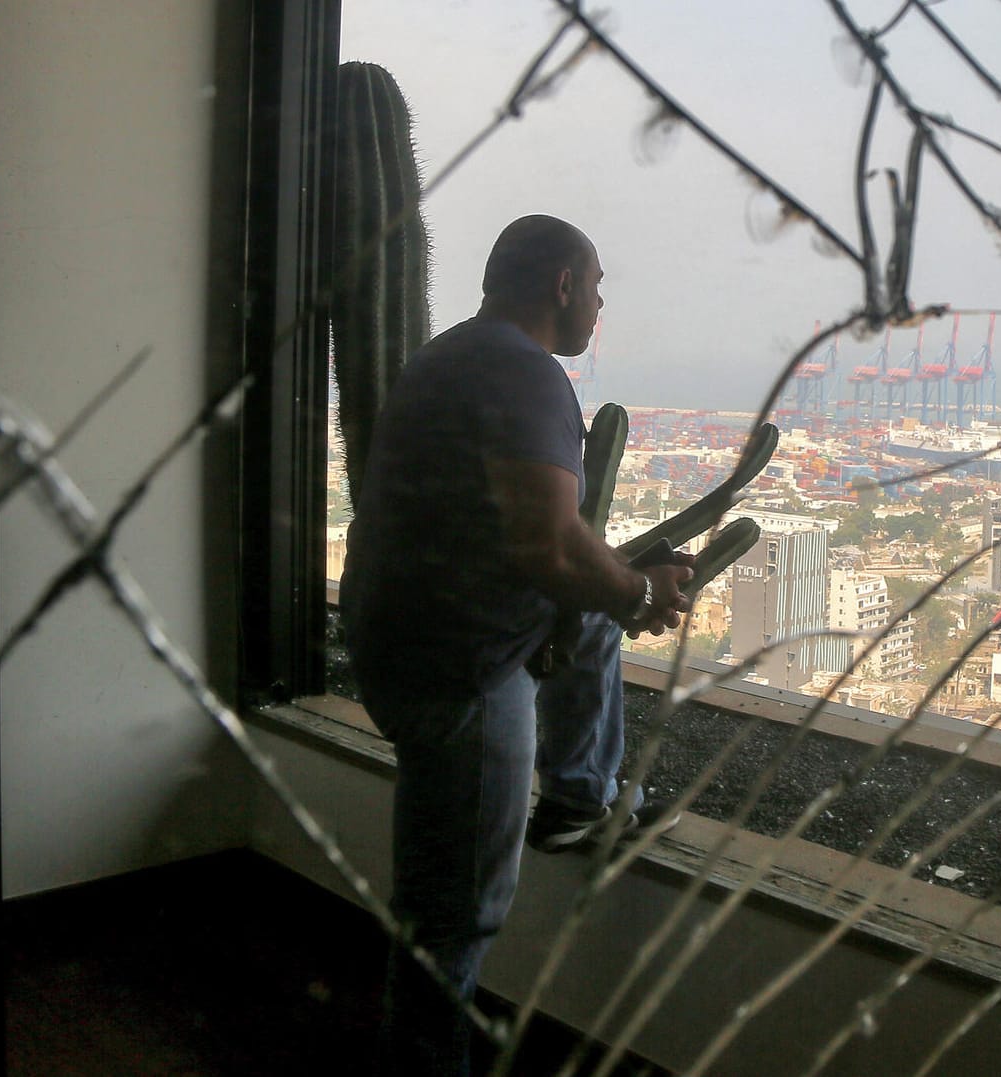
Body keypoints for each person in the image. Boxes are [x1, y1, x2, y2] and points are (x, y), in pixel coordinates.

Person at [339, 214, 692, 1074]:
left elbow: (513, 531)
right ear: (564, 284)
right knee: (455, 915)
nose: (601, 305)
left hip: (401, 640)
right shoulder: (528, 375)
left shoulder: (450, 355)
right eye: (597, 286)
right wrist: (641, 590)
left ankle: (579, 794)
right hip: (460, 670)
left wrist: (620, 574)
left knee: (593, 612)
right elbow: (552, 549)